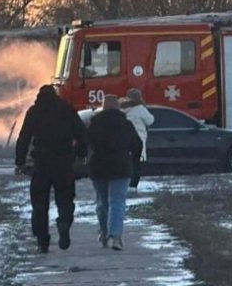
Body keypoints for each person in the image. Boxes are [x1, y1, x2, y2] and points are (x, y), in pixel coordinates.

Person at [15, 85, 88, 254]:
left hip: (42, 163)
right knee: (65, 198)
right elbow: (81, 133)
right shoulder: (67, 109)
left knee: (39, 204)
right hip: (64, 162)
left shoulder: (34, 112)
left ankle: (42, 241)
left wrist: (20, 162)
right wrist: (82, 153)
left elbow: (24, 137)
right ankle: (64, 223)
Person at [87, 95, 143, 251]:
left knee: (102, 202)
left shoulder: (94, 124)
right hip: (121, 167)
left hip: (99, 167)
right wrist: (132, 158)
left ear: (103, 107)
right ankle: (116, 236)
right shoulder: (126, 124)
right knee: (117, 201)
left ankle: (104, 232)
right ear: (118, 107)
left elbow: (86, 143)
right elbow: (137, 144)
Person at [120, 88, 154, 191]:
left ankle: (124, 184)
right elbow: (150, 120)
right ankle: (133, 186)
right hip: (138, 139)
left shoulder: (121, 108)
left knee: (125, 163)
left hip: (123, 139)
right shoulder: (140, 109)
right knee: (136, 164)